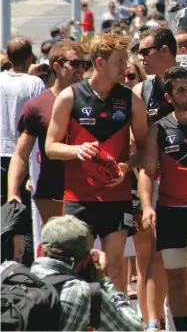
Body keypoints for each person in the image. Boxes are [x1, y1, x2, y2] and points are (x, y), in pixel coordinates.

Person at [45, 33, 149, 292]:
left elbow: (145, 148)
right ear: (100, 62)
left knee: (114, 269)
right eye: (120, 60)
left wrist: (127, 165)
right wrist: (76, 150)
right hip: (79, 199)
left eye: (126, 60)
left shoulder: (130, 99)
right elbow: (50, 147)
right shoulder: (70, 97)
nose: (126, 66)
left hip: (117, 198)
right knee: (78, 268)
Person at [139, 66, 187, 331]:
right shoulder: (159, 129)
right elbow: (147, 172)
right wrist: (147, 206)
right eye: (181, 90)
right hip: (170, 212)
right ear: (170, 97)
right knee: (176, 280)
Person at [7, 41, 86, 231]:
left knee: (87, 255)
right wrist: (13, 192)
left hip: (89, 192)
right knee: (56, 250)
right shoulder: (38, 105)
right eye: (74, 63)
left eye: (84, 64)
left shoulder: (95, 100)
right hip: (52, 193)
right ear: (56, 66)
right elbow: (20, 153)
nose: (81, 69)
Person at [30, 215, 143, 330]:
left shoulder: (14, 277)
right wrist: (104, 281)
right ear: (85, 260)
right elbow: (134, 328)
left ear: (40, 250)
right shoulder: (84, 294)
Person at [1, 36, 46, 265]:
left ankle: (4, 260)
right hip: (25, 156)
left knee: (4, 209)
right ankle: (24, 265)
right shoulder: (35, 84)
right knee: (24, 214)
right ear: (30, 57)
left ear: (8, 57)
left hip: (2, 154)